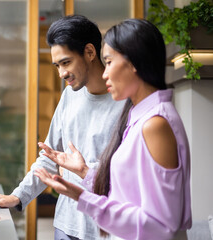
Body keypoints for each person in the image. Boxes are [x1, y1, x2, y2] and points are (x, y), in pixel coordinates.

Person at [35, 19, 192, 240]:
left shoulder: (156, 123)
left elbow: (161, 227)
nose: (105, 73)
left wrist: (82, 198)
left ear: (134, 63)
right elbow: (129, 192)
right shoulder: (140, 116)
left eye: (108, 62)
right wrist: (83, 172)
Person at [0, 15, 126, 240]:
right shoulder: (69, 97)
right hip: (65, 227)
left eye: (66, 62)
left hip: (106, 231)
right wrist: (17, 197)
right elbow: (49, 157)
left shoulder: (125, 102)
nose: (61, 73)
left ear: (90, 52)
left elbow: (130, 175)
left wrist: (83, 169)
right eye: (57, 65)